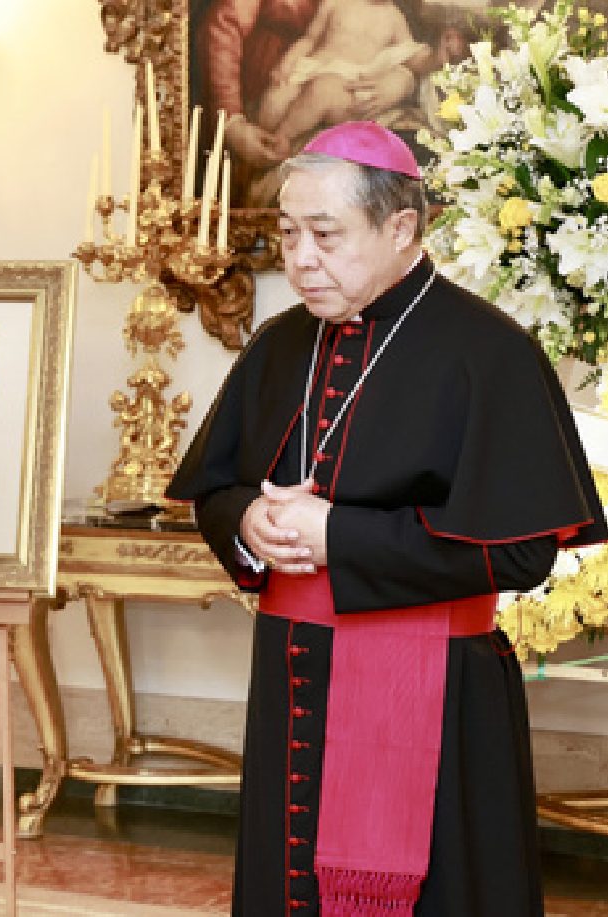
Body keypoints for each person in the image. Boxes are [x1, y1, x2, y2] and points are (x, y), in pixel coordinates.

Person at [168, 121, 605, 915]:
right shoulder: (278, 345)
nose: (300, 258)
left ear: (400, 228)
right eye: (288, 233)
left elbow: (521, 555)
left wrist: (337, 536)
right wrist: (247, 522)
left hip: (437, 693)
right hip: (293, 676)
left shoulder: (489, 353)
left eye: (325, 234)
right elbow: (216, 488)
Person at [254, 0, 427, 157]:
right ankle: (271, 141)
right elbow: (309, 39)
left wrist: (432, 59)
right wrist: (286, 63)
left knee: (321, 90)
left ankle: (283, 137)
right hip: (312, 68)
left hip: (344, 82)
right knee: (272, 108)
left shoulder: (394, 17)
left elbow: (411, 54)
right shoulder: (335, 2)